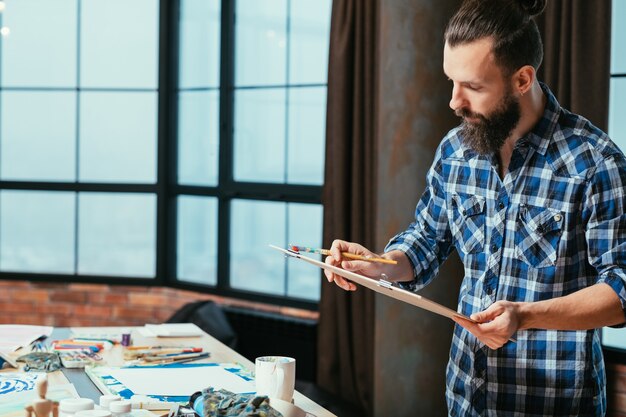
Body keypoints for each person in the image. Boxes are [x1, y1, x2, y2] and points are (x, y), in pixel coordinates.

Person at [324, 0, 626, 415]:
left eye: (473, 87)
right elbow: (427, 239)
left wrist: (525, 315)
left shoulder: (594, 162)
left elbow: (622, 288)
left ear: (522, 79)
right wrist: (381, 264)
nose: (454, 101)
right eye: (451, 81)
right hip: (466, 394)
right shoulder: (455, 149)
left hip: (553, 403)